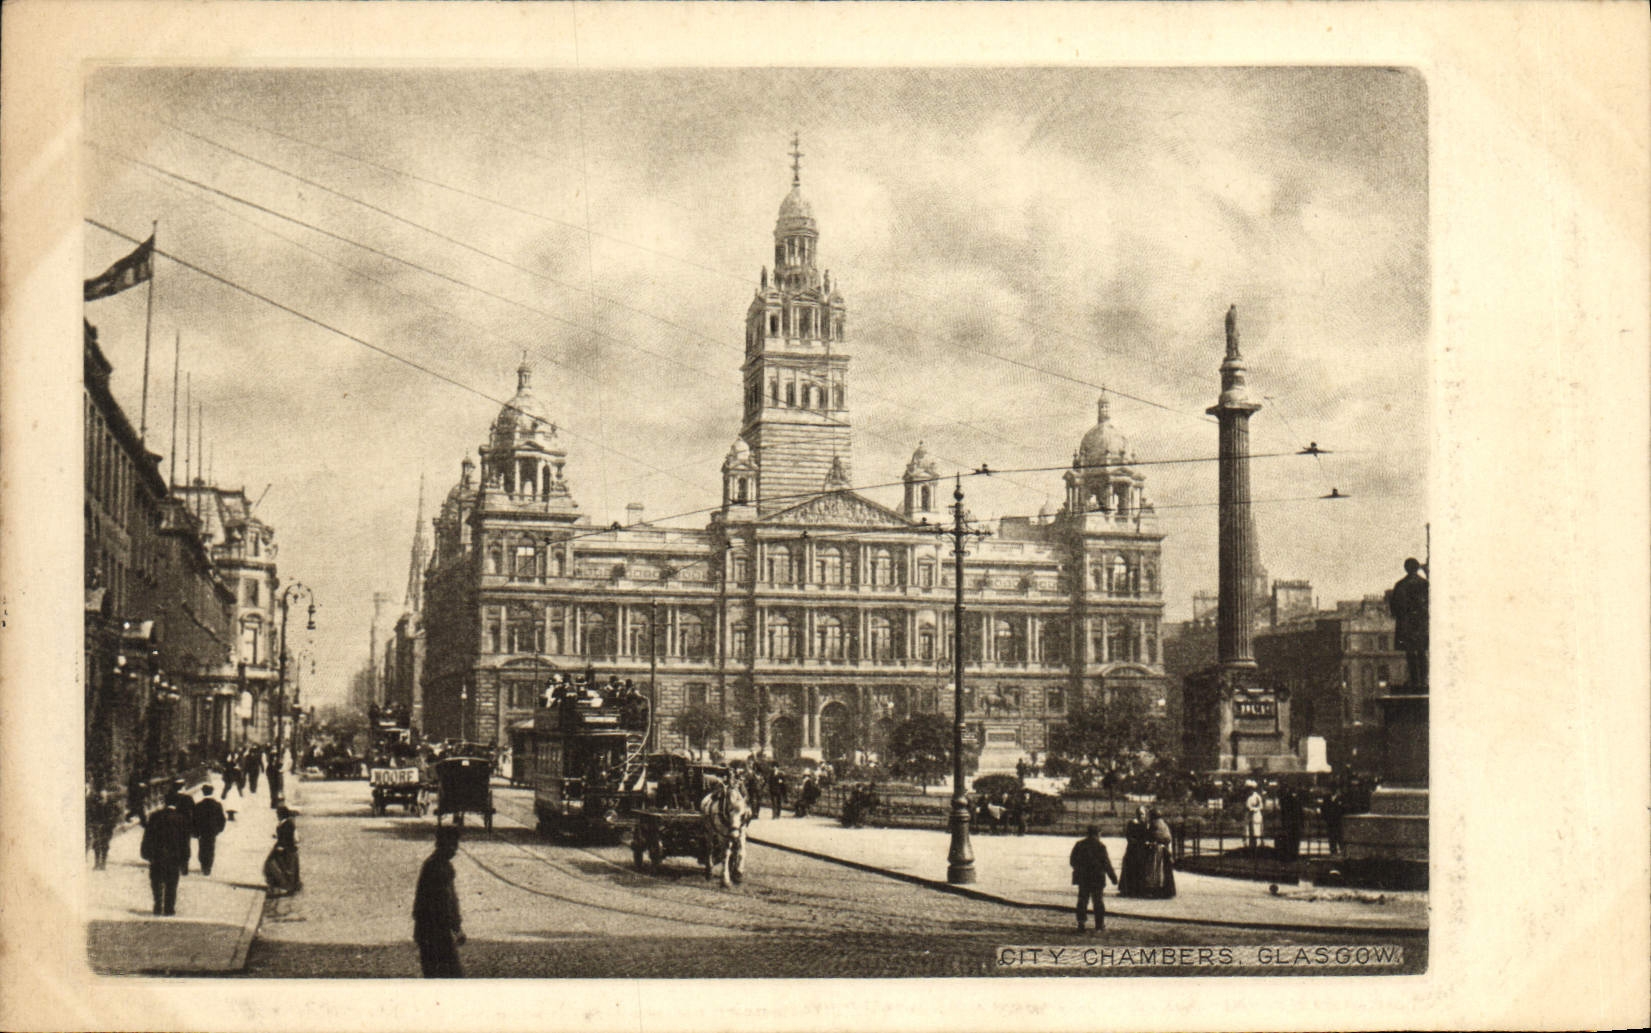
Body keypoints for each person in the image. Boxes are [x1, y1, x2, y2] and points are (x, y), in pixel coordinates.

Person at [413, 826, 467, 978]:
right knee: (451, 976)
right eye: (452, 845)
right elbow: (445, 902)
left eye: (456, 845)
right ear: (441, 844)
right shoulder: (439, 867)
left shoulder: (436, 864)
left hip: (430, 932)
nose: (455, 850)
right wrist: (456, 928)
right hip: (435, 932)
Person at [140, 795, 191, 915]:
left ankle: (157, 905)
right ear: (176, 804)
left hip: (157, 855)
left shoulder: (155, 816)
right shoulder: (181, 819)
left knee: (156, 881)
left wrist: (146, 852)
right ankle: (169, 908)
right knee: (172, 882)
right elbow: (185, 841)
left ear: (164, 802)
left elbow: (148, 836)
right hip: (174, 856)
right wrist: (185, 858)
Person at [1069, 824, 1119, 933]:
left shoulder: (1079, 844)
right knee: (1098, 901)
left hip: (1083, 877)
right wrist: (1113, 878)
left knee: (1082, 900)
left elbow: (1072, 861)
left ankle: (1081, 924)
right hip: (1097, 878)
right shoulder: (1101, 846)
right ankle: (1099, 925)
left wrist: (1080, 868)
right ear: (1098, 834)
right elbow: (1107, 864)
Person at [1389, 557, 1429, 692]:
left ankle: (1415, 680)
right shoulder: (1424, 584)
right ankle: (1423, 681)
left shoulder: (1400, 585)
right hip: (1421, 625)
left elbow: (1394, 607)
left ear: (1406, 568)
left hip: (1407, 626)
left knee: (1411, 654)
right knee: (1422, 653)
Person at [265, 806, 302, 896]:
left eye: (278, 814)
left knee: (280, 867)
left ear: (282, 815)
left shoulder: (287, 824)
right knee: (283, 867)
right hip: (283, 848)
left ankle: (286, 886)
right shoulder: (285, 822)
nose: (277, 816)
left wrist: (282, 846)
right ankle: (283, 885)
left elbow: (289, 837)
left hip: (286, 849)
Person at [193, 784, 228, 876]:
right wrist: (218, 830)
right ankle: (208, 866)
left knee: (202, 847)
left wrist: (195, 832)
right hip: (212, 831)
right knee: (211, 847)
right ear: (212, 792)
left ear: (203, 792)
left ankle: (203, 864)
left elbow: (194, 820)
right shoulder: (217, 805)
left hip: (202, 831)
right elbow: (222, 819)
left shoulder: (198, 805)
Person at [1143, 807, 1177, 899]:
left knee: (1155, 870)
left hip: (1156, 850)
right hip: (1165, 849)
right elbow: (1168, 838)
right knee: (1164, 871)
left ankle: (1155, 890)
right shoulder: (1164, 824)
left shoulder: (1154, 824)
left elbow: (1150, 836)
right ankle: (1167, 890)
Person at [87, 784, 121, 870]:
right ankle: (97, 862)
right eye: (100, 798)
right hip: (97, 826)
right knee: (96, 844)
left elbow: (117, 812)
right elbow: (90, 814)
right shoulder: (95, 804)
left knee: (105, 844)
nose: (101, 800)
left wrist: (112, 823)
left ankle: (103, 863)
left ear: (106, 797)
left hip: (107, 827)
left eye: (103, 798)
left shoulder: (111, 804)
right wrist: (93, 823)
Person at [1118, 806, 1150, 897]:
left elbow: (1147, 836)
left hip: (1142, 849)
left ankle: (1140, 889)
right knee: (1130, 867)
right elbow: (1128, 835)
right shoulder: (1132, 823)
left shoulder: (1146, 824)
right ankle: (1128, 889)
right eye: (1140, 813)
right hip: (1133, 849)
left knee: (1141, 868)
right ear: (1136, 814)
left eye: (1143, 814)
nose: (1141, 816)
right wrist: (1134, 842)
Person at [168, 782, 197, 874]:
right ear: (183, 787)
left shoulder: (170, 797)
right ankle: (184, 866)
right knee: (185, 845)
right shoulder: (188, 798)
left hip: (172, 824)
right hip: (185, 825)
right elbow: (194, 811)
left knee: (173, 843)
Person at [1320, 788, 1346, 855]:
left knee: (1340, 836)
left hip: (1338, 821)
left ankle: (1342, 851)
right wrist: (1326, 818)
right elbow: (1323, 808)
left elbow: (1344, 808)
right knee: (1332, 837)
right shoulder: (1326, 798)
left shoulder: (1341, 797)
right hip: (1330, 821)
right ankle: (1333, 852)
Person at [1243, 782, 1265, 850]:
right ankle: (1249, 846)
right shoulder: (1247, 796)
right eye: (1248, 789)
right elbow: (1246, 805)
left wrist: (1254, 809)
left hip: (1256, 814)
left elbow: (1261, 806)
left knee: (1256, 830)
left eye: (1251, 789)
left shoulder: (1257, 796)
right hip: (1248, 815)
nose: (1250, 790)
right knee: (1248, 830)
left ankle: (1258, 846)